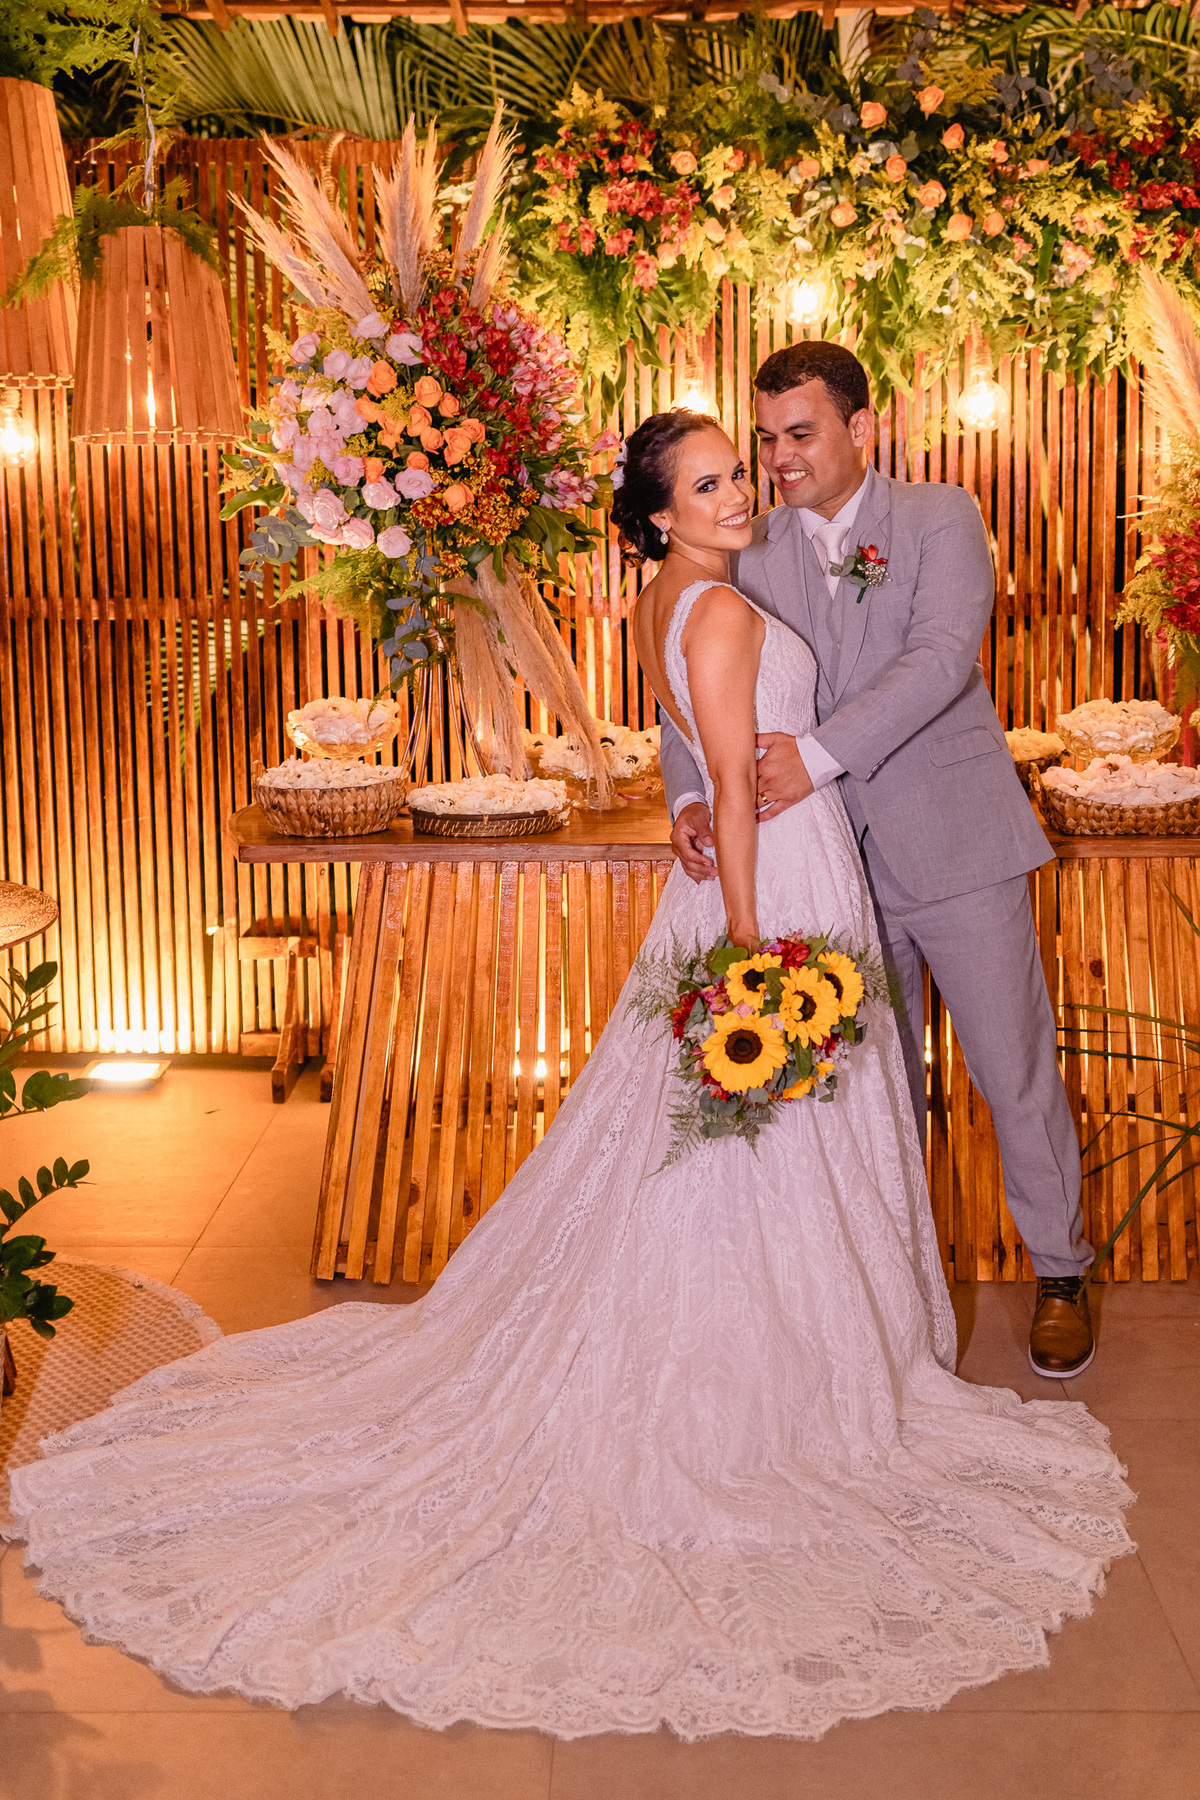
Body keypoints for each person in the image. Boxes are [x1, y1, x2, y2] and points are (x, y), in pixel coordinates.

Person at [7, 410, 1133, 1743]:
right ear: (659, 515)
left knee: (774, 1146)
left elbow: (861, 684)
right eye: (712, 479)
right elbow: (725, 766)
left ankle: (832, 1347)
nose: (744, 487)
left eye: (746, 466)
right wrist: (752, 954)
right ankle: (774, 1392)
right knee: (781, 1148)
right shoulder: (722, 604)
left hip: (827, 862)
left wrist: (723, 849)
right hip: (779, 896)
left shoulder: (708, 586)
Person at [662, 342, 1095, 1380]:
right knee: (871, 1093)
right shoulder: (747, 542)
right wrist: (688, 792)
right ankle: (894, 1300)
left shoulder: (940, 517)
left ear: (862, 428)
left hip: (958, 842)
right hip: (825, 869)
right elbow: (691, 672)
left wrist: (813, 756)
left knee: (1013, 1069)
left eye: (800, 433)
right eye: (765, 438)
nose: (778, 458)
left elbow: (940, 660)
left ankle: (1062, 1272)